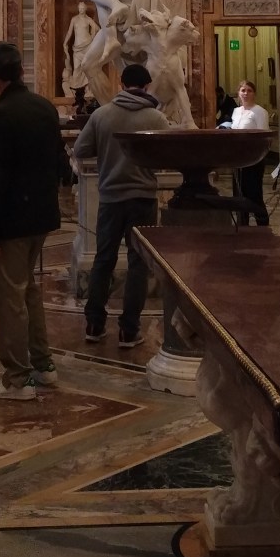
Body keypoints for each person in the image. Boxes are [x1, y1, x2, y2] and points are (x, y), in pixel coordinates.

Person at [0, 41, 68, 400]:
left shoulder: (2, 114)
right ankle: (44, 365)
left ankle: (18, 379)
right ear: (20, 71)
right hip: (42, 215)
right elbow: (60, 163)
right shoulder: (44, 106)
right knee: (29, 290)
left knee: (10, 296)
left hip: (14, 219)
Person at [74, 63, 169, 346]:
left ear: (122, 83)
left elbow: (80, 149)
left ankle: (94, 324)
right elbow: (167, 156)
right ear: (148, 85)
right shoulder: (155, 117)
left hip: (111, 198)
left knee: (104, 260)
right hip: (142, 198)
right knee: (139, 264)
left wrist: (106, 151)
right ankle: (129, 330)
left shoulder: (102, 115)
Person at [231, 80, 270, 225]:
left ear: (254, 93)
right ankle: (243, 226)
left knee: (254, 194)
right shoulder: (236, 112)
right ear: (238, 93)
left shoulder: (259, 111)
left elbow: (263, 137)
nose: (246, 93)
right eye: (243, 90)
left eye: (249, 90)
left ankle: (262, 225)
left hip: (253, 159)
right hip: (238, 158)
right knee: (239, 194)